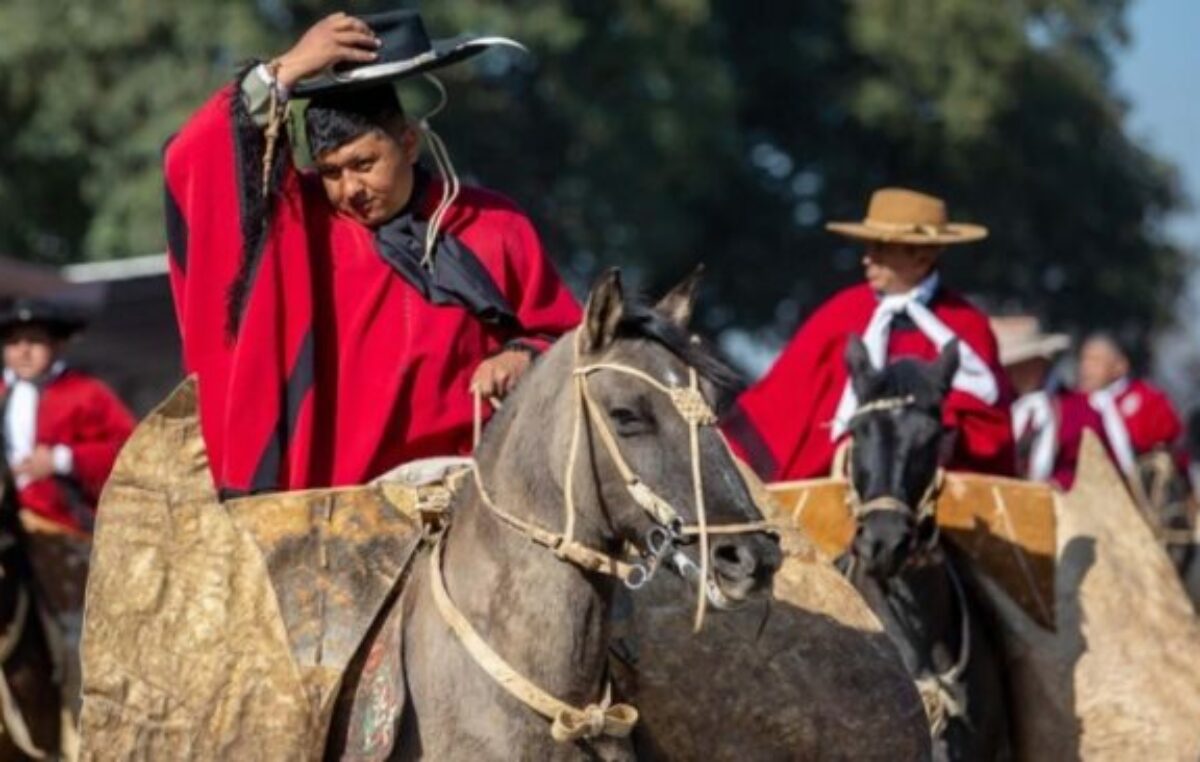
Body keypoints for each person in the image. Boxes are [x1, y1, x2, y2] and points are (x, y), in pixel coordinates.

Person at [164, 10, 581, 495]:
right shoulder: (299, 231)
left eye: (364, 163)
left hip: (474, 499)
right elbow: (192, 159)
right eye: (332, 171)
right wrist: (284, 69)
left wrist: (522, 355)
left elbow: (565, 336)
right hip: (333, 509)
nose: (350, 189)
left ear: (408, 142)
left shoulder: (494, 225)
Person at [724, 187, 1015, 480]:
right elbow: (780, 399)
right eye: (868, 248)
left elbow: (988, 424)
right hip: (832, 485)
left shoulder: (966, 325)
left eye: (881, 249)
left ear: (922, 258)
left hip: (936, 491)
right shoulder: (841, 313)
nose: (867, 259)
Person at [1, 299, 134, 531]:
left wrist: (65, 459)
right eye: (14, 342)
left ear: (56, 344)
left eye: (34, 340)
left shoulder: (88, 393)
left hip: (68, 525)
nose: (24, 350)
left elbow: (134, 452)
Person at [992, 316, 1109, 489]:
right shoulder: (1001, 405)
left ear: (1038, 364)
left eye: (1020, 366)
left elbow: (1090, 471)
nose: (1013, 374)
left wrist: (1057, 485)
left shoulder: (1080, 412)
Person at [1077, 332, 1183, 476]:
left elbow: (1169, 446)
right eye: (1084, 359)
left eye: (1095, 360)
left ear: (1120, 365)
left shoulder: (1149, 400)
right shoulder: (1074, 404)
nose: (1086, 367)